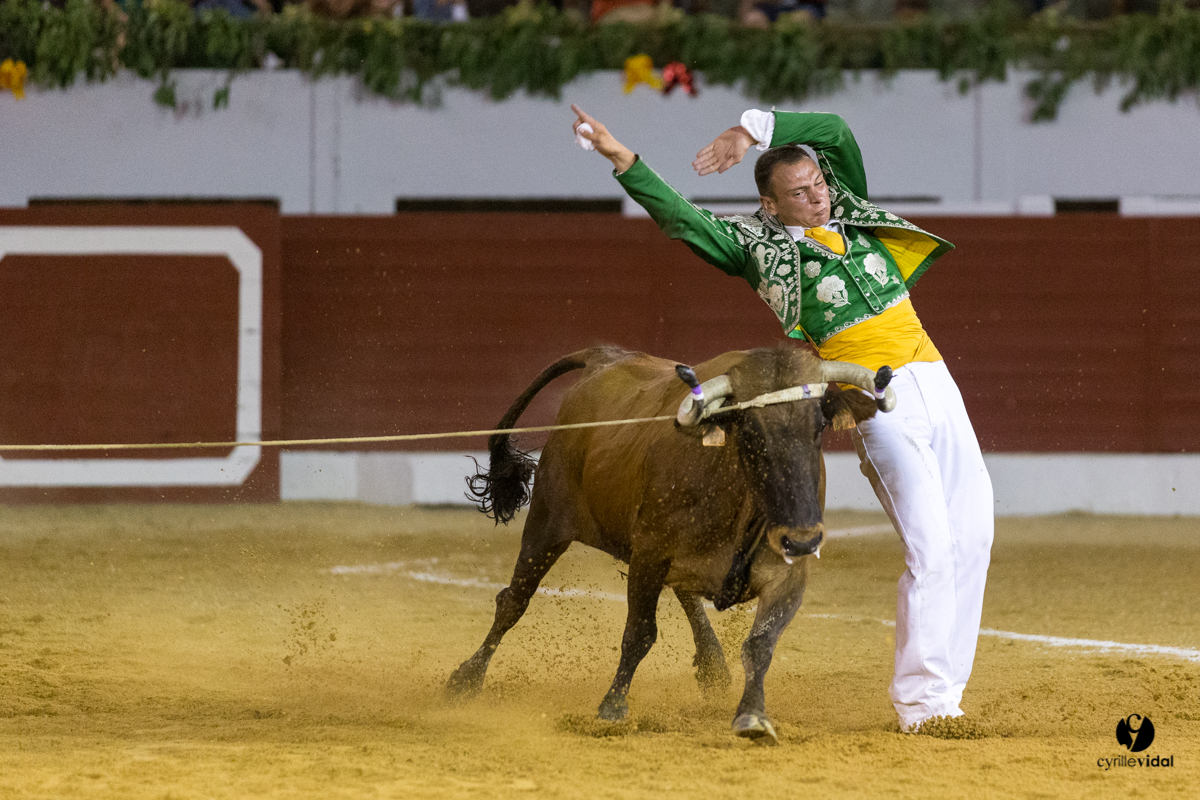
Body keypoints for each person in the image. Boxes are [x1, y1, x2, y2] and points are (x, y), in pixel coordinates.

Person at [570, 103, 994, 734]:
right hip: (873, 396)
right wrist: (621, 159)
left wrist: (751, 129)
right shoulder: (757, 249)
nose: (818, 199)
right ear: (771, 206)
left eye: (819, 185)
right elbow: (682, 220)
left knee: (975, 538)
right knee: (932, 548)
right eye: (800, 194)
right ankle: (923, 703)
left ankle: (947, 695)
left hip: (937, 377)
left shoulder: (848, 205)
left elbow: (838, 132)